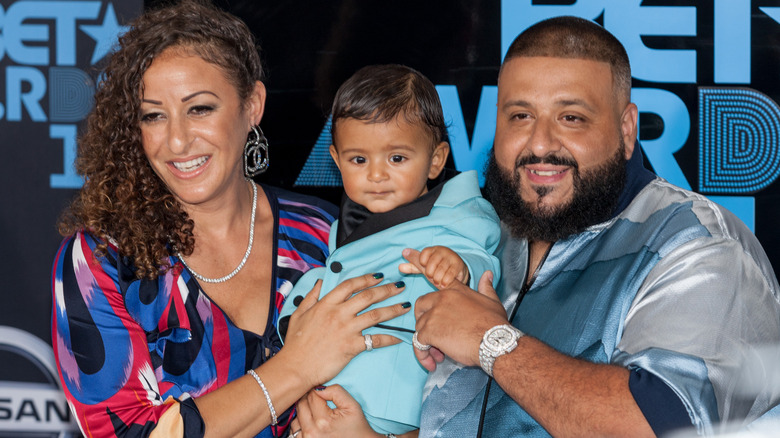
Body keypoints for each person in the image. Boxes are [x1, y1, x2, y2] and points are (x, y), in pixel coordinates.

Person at [401, 16, 780, 437]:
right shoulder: (474, 227)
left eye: (572, 118)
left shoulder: (697, 246)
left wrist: (491, 341)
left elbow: (660, 428)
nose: (540, 143)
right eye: (521, 115)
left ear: (626, 129)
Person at [50, 2, 413, 437]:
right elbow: (126, 433)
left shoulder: (325, 233)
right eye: (153, 116)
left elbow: (408, 393)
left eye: (199, 108)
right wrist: (297, 366)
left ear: (252, 106)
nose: (178, 140)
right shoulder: (103, 259)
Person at [279, 64, 502, 436]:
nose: (376, 174)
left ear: (436, 160)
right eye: (358, 160)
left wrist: (459, 266)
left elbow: (484, 264)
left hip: (395, 405)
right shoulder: (347, 222)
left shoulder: (457, 213)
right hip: (327, 399)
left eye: (396, 158)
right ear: (336, 161)